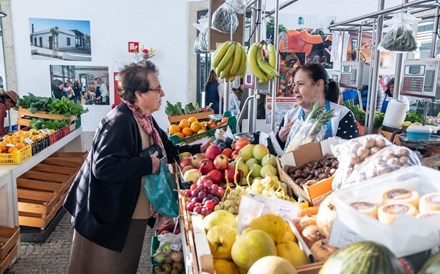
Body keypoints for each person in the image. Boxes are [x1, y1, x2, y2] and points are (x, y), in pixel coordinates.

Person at [64, 60, 211, 274]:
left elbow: (168, 150)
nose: (162, 93)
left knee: (124, 265)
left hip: (130, 209)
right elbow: (103, 167)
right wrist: (145, 164)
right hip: (108, 213)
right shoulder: (120, 122)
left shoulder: (145, 119)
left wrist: (200, 149)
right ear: (139, 94)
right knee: (103, 266)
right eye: (157, 89)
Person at [276, 64, 358, 150]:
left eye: (300, 84)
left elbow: (351, 153)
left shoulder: (341, 115)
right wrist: (279, 139)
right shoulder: (290, 116)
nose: (294, 90)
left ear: (319, 84)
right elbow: (273, 156)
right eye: (294, 85)